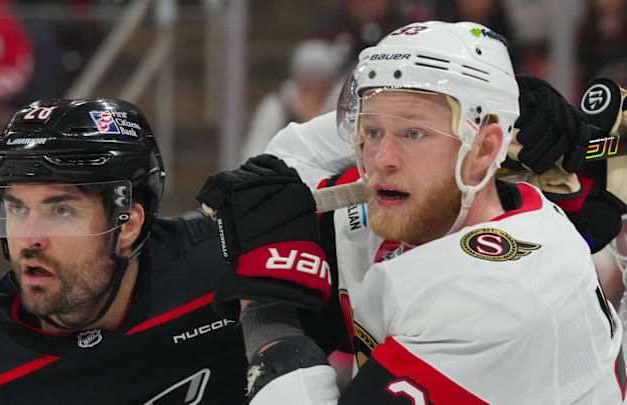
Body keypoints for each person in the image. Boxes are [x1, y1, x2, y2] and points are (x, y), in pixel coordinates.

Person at [197, 21, 625, 404]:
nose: (381, 158)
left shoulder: (501, 300)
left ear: (486, 148)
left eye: (413, 133)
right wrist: (492, 110)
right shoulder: (424, 203)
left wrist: (269, 318)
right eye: (371, 131)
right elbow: (289, 163)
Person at [0, 99, 260, 404]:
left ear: (127, 225)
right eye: (16, 209)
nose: (30, 238)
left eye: (60, 211)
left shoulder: (229, 270)